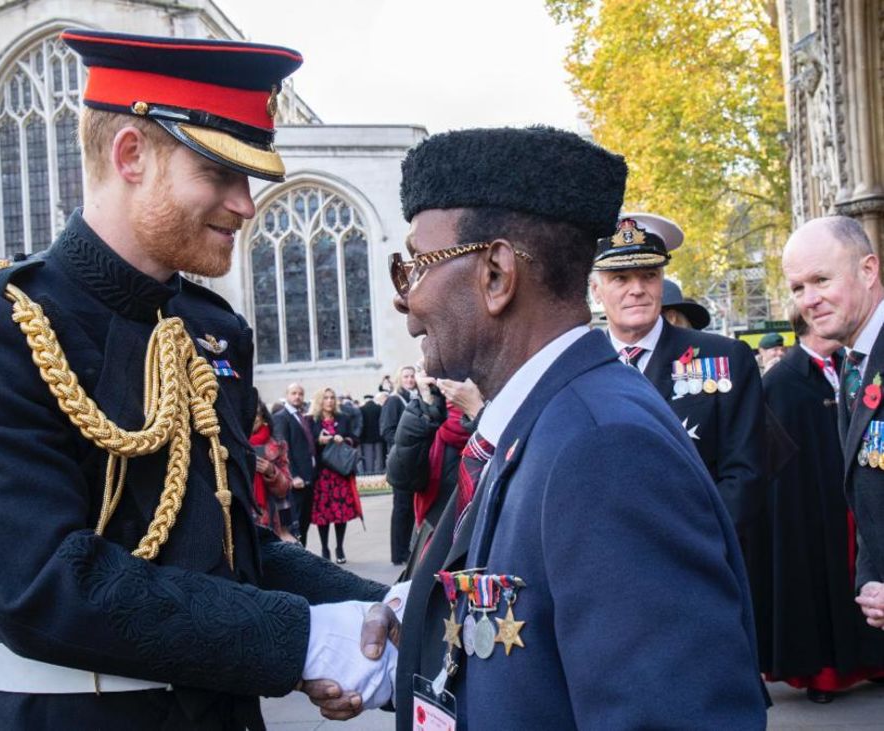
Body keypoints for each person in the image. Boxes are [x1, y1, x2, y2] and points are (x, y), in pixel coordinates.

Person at [0, 30, 396, 729]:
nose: (245, 205)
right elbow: (43, 585)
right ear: (130, 155)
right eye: (219, 175)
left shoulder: (210, 327)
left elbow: (229, 551)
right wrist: (303, 639)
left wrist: (378, 609)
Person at [311, 126, 767, 727]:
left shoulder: (603, 448)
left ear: (497, 275)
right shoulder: (545, 420)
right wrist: (414, 620)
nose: (406, 299)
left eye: (417, 265)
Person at [589, 213, 766, 534]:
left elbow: (746, 475)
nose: (637, 289)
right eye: (620, 278)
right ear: (596, 291)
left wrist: (688, 544)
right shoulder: (580, 368)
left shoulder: (725, 357)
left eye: (649, 275)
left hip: (701, 554)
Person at [758, 311, 884, 702]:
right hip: (810, 507)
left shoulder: (851, 367)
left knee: (865, 578)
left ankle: (873, 660)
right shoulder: (781, 381)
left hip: (854, 498)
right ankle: (823, 673)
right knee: (820, 586)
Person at [783, 215, 884, 633]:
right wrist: (872, 578)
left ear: (868, 269)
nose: (809, 300)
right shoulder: (853, 366)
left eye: (822, 279)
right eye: (797, 288)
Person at [385, 374, 484, 577]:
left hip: (477, 535)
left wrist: (477, 414)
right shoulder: (431, 416)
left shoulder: (488, 416)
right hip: (432, 531)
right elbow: (402, 477)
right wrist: (424, 413)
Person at [308, 387, 364, 564]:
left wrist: (345, 439)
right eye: (326, 398)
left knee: (341, 513)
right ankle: (325, 548)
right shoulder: (312, 420)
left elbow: (354, 438)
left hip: (340, 473)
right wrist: (319, 440)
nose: (330, 401)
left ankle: (340, 547)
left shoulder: (343, 418)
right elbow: (306, 444)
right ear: (320, 400)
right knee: (323, 515)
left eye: (332, 397)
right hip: (322, 473)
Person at [380, 365, 417, 565]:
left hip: (412, 461)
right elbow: (387, 431)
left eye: (412, 376)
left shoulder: (413, 397)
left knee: (410, 508)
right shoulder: (394, 400)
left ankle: (406, 549)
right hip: (401, 460)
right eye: (406, 376)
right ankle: (398, 553)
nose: (410, 379)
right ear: (399, 379)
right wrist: (406, 445)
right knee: (401, 507)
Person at [272, 382, 317, 546]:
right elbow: (282, 450)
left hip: (307, 478)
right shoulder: (281, 417)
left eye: (300, 394)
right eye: (294, 393)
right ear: (287, 395)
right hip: (295, 481)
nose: (297, 396)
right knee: (293, 525)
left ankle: (302, 554)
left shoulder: (301, 416)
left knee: (304, 523)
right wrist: (293, 475)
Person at [250, 398, 298, 542]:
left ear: (263, 417)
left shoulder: (276, 444)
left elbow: (286, 487)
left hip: (269, 518)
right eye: (248, 414)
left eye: (257, 414)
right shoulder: (231, 444)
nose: (253, 418)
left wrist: (272, 472)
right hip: (239, 516)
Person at [358, 394, 384, 475]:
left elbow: (360, 424)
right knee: (379, 458)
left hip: (366, 437)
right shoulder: (379, 408)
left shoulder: (361, 409)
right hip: (378, 436)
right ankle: (379, 474)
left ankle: (369, 474)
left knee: (368, 458)